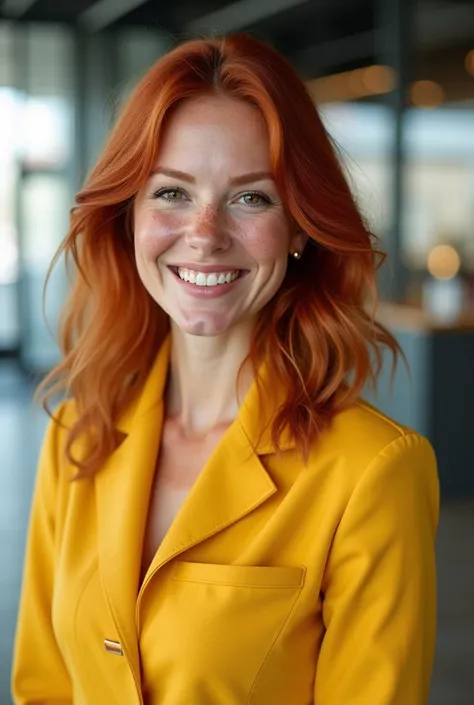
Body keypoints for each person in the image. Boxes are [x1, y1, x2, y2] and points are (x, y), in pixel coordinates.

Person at [12, 33, 439, 705]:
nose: (205, 233)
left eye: (251, 198)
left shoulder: (373, 470)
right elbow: (44, 687)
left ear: (301, 226)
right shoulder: (78, 434)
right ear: (129, 216)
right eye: (173, 192)